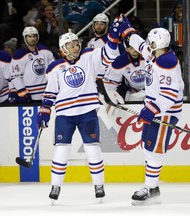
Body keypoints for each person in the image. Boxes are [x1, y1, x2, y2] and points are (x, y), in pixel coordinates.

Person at [36, 15, 126, 202]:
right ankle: (55, 187)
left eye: (77, 43)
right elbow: (50, 93)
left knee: (93, 149)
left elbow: (109, 54)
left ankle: (99, 185)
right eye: (72, 45)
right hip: (65, 115)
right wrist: (44, 112)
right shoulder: (55, 68)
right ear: (63, 49)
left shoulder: (89, 56)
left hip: (87, 112)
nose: (76, 46)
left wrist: (114, 36)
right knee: (62, 150)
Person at [120, 16, 184, 205]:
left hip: (165, 112)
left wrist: (152, 110)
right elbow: (140, 46)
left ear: (158, 43)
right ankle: (153, 186)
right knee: (148, 145)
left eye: (152, 41)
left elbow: (170, 94)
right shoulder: (156, 53)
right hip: (154, 110)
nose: (148, 44)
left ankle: (150, 188)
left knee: (154, 149)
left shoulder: (167, 62)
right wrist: (128, 31)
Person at [9, 26, 55, 104]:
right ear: (25, 38)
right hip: (29, 95)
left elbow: (53, 71)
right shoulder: (19, 55)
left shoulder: (45, 51)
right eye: (29, 36)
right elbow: (15, 76)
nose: (32, 39)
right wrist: (22, 91)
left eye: (34, 36)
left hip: (46, 93)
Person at [103, 38, 146, 103]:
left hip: (152, 91)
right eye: (131, 48)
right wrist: (112, 94)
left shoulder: (149, 55)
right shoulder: (120, 62)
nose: (135, 51)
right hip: (133, 95)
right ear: (126, 49)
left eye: (136, 47)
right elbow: (109, 83)